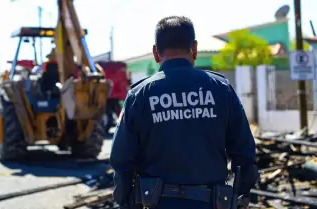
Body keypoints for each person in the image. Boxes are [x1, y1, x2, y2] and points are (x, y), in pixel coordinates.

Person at [110, 16, 259, 209]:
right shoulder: (221, 89)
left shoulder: (139, 96)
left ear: (156, 53)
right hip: (211, 203)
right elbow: (244, 153)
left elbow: (121, 160)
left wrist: (125, 201)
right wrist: (241, 194)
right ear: (194, 49)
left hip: (158, 203)